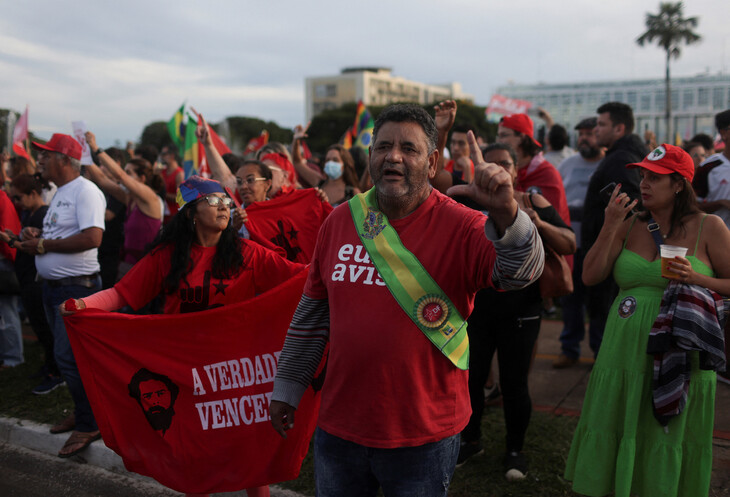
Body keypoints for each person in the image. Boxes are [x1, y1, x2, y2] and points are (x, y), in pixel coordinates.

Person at [269, 104, 544, 497]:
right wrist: (288, 387)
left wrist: (507, 213)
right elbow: (314, 312)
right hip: (340, 427)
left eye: (408, 149)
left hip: (424, 435)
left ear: (432, 162)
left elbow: (524, 272)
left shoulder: (463, 225)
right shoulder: (341, 220)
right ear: (370, 157)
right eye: (383, 147)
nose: (393, 156)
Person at [63, 176, 304, 497]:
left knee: (246, 445)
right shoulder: (167, 256)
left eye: (226, 202)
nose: (224, 207)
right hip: (183, 370)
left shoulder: (249, 253)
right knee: (193, 445)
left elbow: (301, 278)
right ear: (191, 212)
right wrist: (83, 304)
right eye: (214, 201)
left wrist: (334, 265)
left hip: (234, 371)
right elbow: (121, 293)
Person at [564, 144, 730, 497]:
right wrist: (609, 226)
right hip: (623, 351)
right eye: (642, 176)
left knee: (664, 432)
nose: (644, 184)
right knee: (618, 421)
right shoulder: (629, 224)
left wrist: (698, 279)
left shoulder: (709, 227)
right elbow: (590, 276)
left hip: (679, 350)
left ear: (680, 185)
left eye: (655, 177)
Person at [457, 143, 575, 479]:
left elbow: (569, 243)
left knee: (514, 383)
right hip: (478, 309)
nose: (496, 171)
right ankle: (471, 440)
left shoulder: (532, 200)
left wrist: (538, 223)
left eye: (504, 164)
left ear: (516, 169)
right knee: (472, 379)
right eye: (489, 164)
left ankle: (514, 451)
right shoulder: (467, 202)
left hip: (522, 308)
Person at [16, 133, 106, 458]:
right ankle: (83, 413)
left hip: (75, 289)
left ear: (65, 161)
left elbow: (93, 237)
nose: (40, 160)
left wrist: (43, 246)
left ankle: (90, 421)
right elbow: (64, 232)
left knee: (71, 359)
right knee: (66, 359)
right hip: (56, 288)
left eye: (46, 155)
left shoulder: (86, 191)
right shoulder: (62, 192)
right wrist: (38, 234)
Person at [1, 174, 62, 393]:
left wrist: (9, 240)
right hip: (28, 276)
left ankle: (56, 372)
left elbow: (36, 245)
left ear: (33, 194)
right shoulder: (31, 212)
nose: (17, 203)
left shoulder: (43, 214)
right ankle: (49, 366)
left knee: (46, 328)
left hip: (36, 278)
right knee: (39, 327)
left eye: (19, 198)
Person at [554, 117, 607, 368]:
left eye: (590, 133)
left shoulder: (609, 164)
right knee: (570, 299)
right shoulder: (567, 164)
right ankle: (569, 348)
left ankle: (600, 351)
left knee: (599, 301)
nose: (585, 138)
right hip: (570, 245)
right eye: (581, 134)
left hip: (599, 246)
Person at [85, 131, 164, 276]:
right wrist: (83, 155)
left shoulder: (150, 198)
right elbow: (102, 179)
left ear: (142, 178)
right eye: (125, 172)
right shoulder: (130, 198)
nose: (125, 175)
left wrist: (96, 148)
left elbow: (119, 175)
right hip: (127, 264)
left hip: (147, 267)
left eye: (129, 173)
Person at [694, 109, 730, 229]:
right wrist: (721, 203)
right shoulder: (708, 167)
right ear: (723, 133)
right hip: (717, 238)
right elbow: (692, 206)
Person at [0, 187, 22, 370]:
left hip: (3, 263)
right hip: (5, 260)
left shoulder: (2, 199)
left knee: (6, 311)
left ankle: (13, 357)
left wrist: (9, 257)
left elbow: (8, 233)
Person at [159, 145, 184, 223]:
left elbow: (179, 198)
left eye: (164, 154)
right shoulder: (162, 171)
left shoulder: (179, 173)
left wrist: (161, 194)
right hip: (162, 215)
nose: (162, 156)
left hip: (173, 217)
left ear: (172, 155)